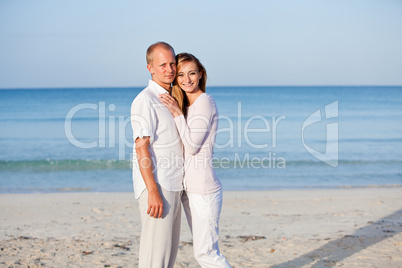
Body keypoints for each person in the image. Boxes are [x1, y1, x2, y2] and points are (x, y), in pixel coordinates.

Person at [158, 53, 231, 267]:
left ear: (200, 74)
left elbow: (191, 147)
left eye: (192, 73)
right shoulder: (188, 106)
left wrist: (175, 113)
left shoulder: (204, 102)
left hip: (204, 191)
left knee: (206, 254)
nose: (186, 79)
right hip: (190, 190)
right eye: (180, 74)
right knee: (206, 250)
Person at [130, 42, 183, 268]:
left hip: (173, 183)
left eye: (172, 63)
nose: (169, 69)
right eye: (163, 65)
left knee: (167, 257)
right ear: (150, 67)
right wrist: (152, 191)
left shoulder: (169, 98)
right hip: (158, 185)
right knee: (155, 257)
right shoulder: (146, 100)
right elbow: (141, 147)